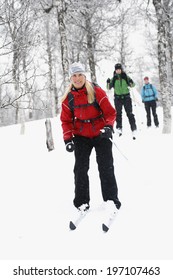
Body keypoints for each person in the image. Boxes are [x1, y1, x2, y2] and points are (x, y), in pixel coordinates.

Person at [60, 62, 121, 219]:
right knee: (80, 169)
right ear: (70, 78)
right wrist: (68, 139)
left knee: (105, 167)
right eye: (74, 75)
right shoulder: (68, 99)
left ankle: (111, 200)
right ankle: (81, 202)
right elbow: (66, 121)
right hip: (81, 136)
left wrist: (108, 127)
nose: (77, 78)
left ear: (85, 76)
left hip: (101, 133)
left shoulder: (96, 91)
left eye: (80, 75)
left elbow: (110, 112)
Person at [107, 63, 137, 138]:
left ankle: (133, 128)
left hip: (126, 97)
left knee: (129, 113)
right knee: (118, 114)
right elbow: (108, 88)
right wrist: (108, 82)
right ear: (115, 70)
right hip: (117, 98)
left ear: (121, 69)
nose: (118, 71)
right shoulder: (113, 78)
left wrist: (131, 81)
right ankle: (119, 129)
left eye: (119, 69)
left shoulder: (125, 76)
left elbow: (133, 85)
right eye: (117, 69)